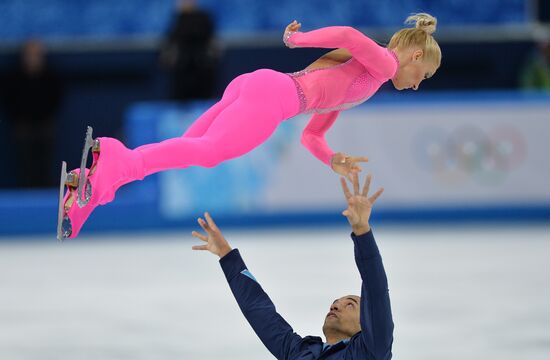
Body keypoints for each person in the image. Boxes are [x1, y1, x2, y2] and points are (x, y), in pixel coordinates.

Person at [57, 13, 441, 240]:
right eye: (423, 75)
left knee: (191, 149)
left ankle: (99, 180)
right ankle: (113, 160)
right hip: (275, 98)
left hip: (260, 84)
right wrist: (297, 39)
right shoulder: (386, 64)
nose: (418, 84)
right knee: (206, 152)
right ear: (416, 55)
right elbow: (348, 36)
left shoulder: (365, 79)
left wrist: (332, 160)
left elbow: (312, 135)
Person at [191, 173, 392, 359]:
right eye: (336, 302)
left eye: (350, 305)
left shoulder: (369, 352)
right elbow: (259, 310)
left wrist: (361, 230)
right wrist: (227, 255)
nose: (336, 305)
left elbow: (376, 290)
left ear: (365, 323)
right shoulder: (298, 351)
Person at [3, 39, 63, 188]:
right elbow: (9, 100)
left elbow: (55, 98)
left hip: (45, 125)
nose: (32, 59)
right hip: (23, 127)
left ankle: (44, 193)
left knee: (44, 163)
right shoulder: (14, 78)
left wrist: (45, 116)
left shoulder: (50, 77)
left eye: (36, 55)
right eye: (29, 55)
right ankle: (27, 193)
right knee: (25, 164)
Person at [159, 0, 218, 100]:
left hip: (201, 66)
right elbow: (170, 42)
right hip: (182, 68)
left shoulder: (204, 18)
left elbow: (211, 41)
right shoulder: (177, 19)